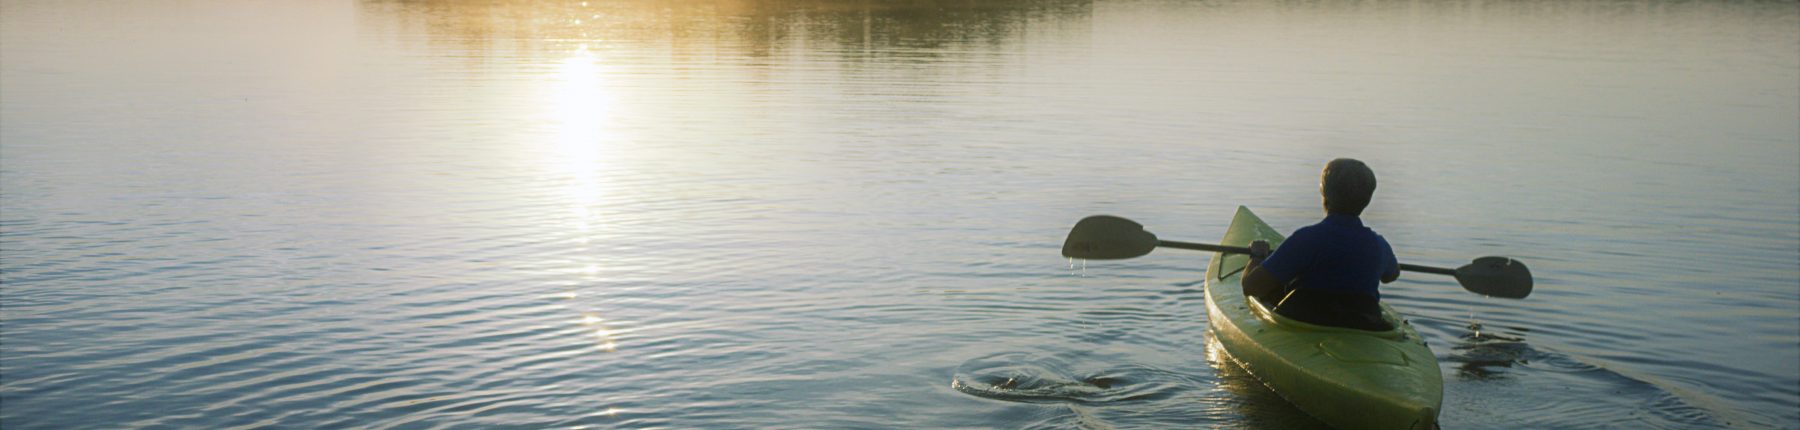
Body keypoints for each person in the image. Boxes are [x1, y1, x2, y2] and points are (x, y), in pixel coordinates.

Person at [1242, 158, 1399, 331]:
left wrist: (1257, 256)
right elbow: (1391, 275)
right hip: (1361, 322)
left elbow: (1251, 287)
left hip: (1306, 321)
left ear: (1324, 193)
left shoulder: (1306, 239)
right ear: (1368, 199)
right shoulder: (1379, 245)